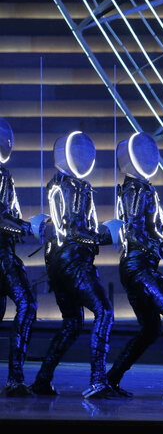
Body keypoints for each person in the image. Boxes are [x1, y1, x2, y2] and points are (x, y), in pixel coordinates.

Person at [106, 133, 163, 401]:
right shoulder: (137, 190)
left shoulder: (135, 188)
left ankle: (111, 379)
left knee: (150, 329)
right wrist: (157, 246)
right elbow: (133, 231)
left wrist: (160, 245)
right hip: (138, 266)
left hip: (137, 265)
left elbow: (139, 231)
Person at [32, 132, 116, 398]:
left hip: (66, 261)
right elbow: (71, 232)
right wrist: (106, 236)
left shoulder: (80, 187)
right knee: (104, 311)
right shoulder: (62, 187)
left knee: (72, 322)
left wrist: (101, 234)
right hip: (71, 261)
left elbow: (85, 228)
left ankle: (42, 379)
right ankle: (98, 380)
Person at [0, 119, 36, 397]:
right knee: (27, 303)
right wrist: (24, 227)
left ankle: (16, 378)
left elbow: (8, 216)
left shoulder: (4, 175)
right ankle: (15, 378)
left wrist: (27, 226)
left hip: (6, 252)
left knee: (26, 304)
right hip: (3, 256)